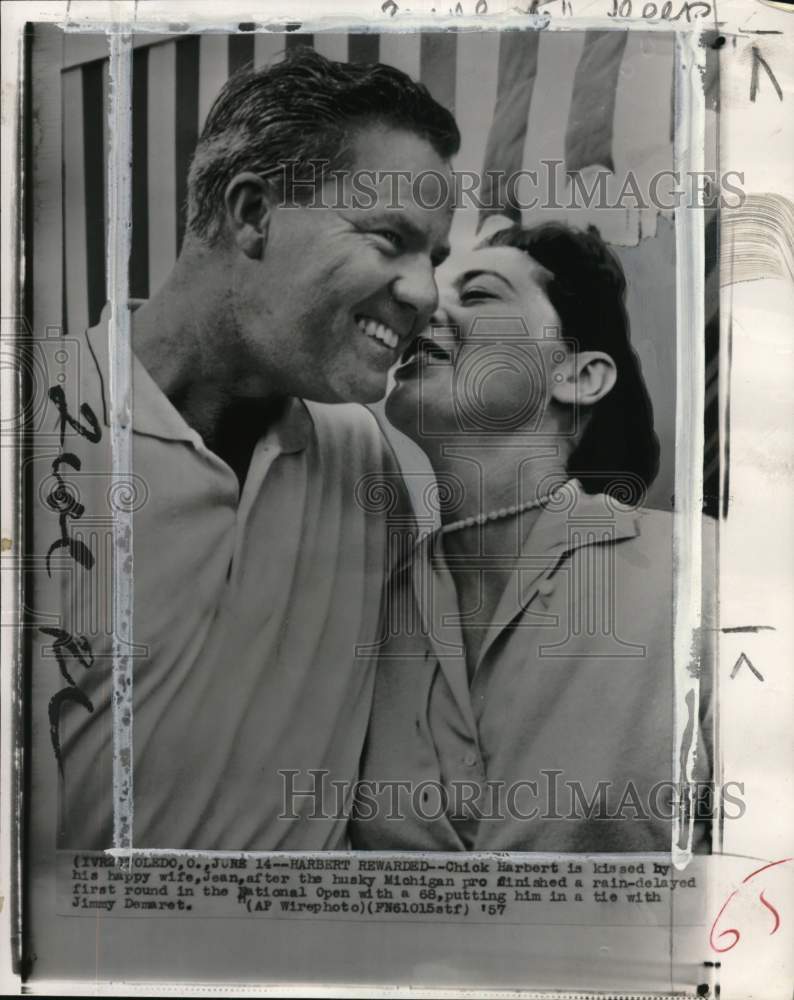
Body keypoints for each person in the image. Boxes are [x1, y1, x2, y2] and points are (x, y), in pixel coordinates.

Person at [53, 47, 459, 850]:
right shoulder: (38, 436)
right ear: (251, 214)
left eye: (435, 261)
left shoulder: (367, 457)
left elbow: (399, 806)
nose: (425, 293)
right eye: (389, 239)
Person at [350, 222, 713, 853]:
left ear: (577, 376)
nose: (428, 305)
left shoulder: (705, 575)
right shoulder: (361, 614)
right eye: (437, 290)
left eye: (481, 294)